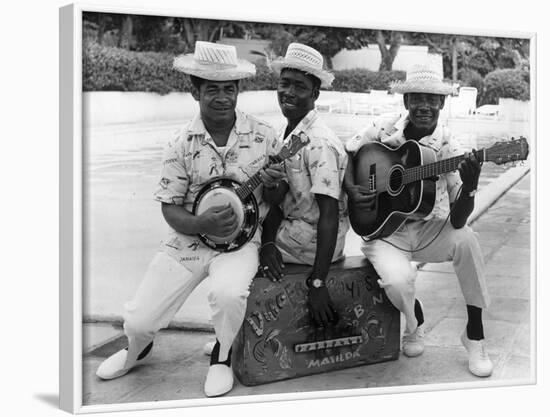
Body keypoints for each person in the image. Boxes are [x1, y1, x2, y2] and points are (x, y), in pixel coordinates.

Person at [95, 41, 285, 397]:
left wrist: (273, 185)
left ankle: (222, 355)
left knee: (228, 294)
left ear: (238, 90)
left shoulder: (265, 136)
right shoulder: (180, 143)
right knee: (138, 320)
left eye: (229, 89)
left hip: (240, 242)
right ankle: (136, 348)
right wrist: (200, 224)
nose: (222, 97)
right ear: (194, 90)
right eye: (211, 89)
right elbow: (169, 207)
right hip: (187, 241)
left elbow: (274, 200)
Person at [344, 62, 493, 377]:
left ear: (441, 103)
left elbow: (457, 221)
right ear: (406, 101)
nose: (424, 105)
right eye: (417, 98)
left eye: (431, 99)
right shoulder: (383, 128)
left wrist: (470, 186)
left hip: (428, 229)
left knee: (467, 239)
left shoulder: (449, 146)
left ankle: (475, 334)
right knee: (397, 280)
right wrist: (354, 191)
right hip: (384, 230)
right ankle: (415, 324)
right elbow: (349, 151)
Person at [259, 43, 349, 327]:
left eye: (299, 86)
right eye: (284, 84)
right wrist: (268, 241)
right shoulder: (288, 133)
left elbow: (330, 213)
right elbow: (279, 200)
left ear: (315, 93)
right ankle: (237, 333)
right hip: (294, 232)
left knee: (232, 251)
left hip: (312, 242)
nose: (289, 92)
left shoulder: (318, 142)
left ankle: (235, 338)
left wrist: (319, 282)